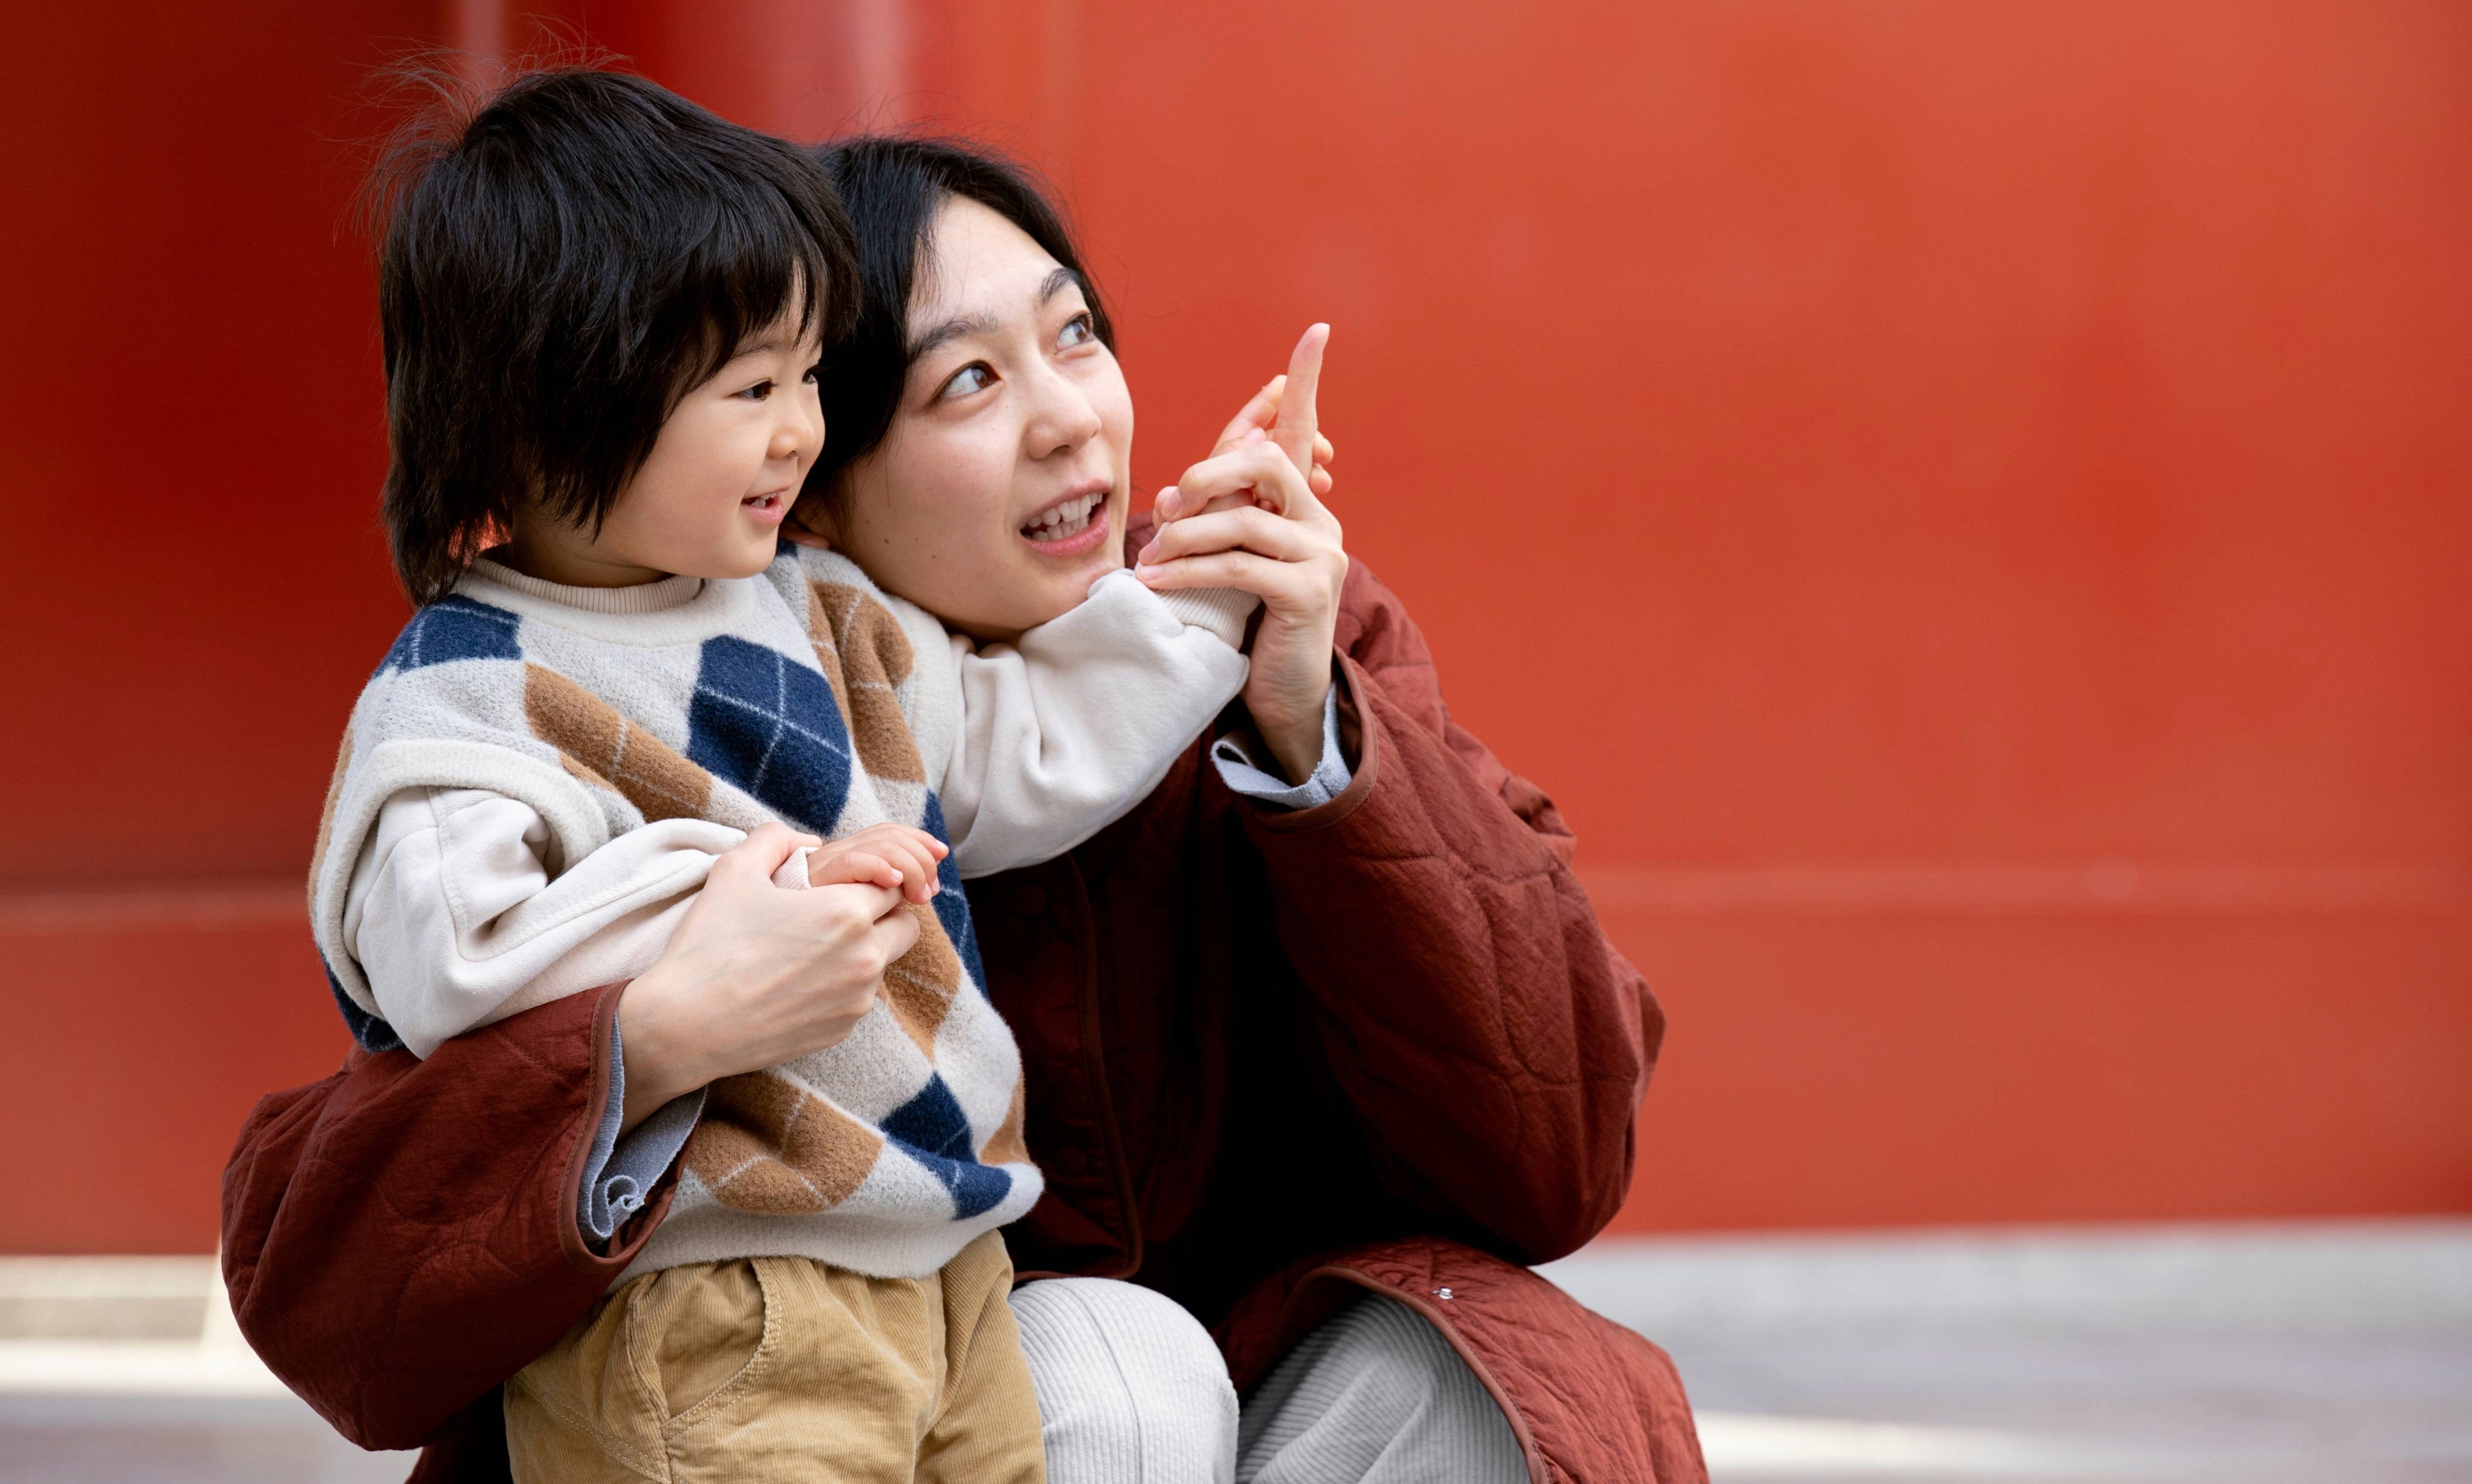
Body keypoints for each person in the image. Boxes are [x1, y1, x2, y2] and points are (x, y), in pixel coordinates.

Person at [223, 134, 1707, 1484]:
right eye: (968, 385)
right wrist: (657, 1030)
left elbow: (1557, 1151)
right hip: (774, 1352)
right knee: (1116, 1379)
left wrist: (1299, 716)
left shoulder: (1237, 635)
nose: (1069, 421)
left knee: (1470, 1386)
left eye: (1075, 336)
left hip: (1165, 1371)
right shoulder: (543, 694)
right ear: (811, 495)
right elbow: (344, 1263)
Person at [326, 72, 1307, 1482]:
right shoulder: (468, 699)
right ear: (550, 415)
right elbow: (454, 969)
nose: (802, 429)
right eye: (752, 390)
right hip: (713, 1299)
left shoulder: (822, 612)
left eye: (807, 380)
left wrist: (1215, 586)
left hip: (943, 1260)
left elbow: (1033, 741)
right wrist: (739, 899)